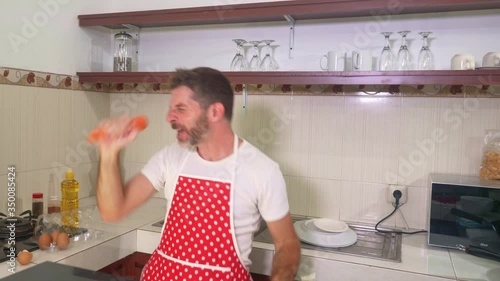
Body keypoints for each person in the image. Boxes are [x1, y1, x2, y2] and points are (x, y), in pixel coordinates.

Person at [95, 67, 300, 281]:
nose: (169, 118)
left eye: (181, 109)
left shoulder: (262, 170)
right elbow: (112, 211)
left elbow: (287, 244)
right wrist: (109, 153)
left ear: (214, 112)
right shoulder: (171, 157)